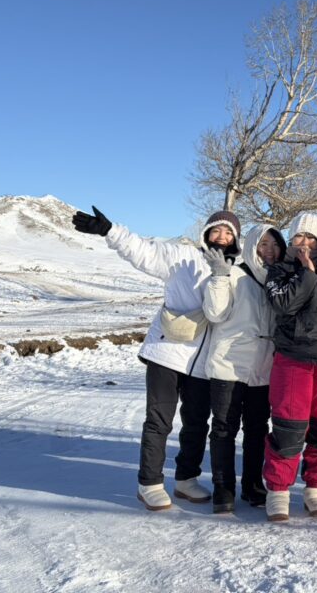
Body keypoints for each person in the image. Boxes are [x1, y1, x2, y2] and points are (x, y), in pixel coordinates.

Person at [72, 205, 241, 510]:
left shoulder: (236, 271)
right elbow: (143, 251)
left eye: (228, 232)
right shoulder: (182, 256)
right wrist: (110, 231)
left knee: (196, 423)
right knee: (159, 421)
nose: (221, 236)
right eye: (216, 229)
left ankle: (186, 479)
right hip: (167, 352)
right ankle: (149, 483)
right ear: (206, 233)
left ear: (235, 238)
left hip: (204, 362)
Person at [261, 212, 317, 522]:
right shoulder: (280, 271)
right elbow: (284, 304)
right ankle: (278, 490)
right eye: (300, 236)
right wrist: (307, 273)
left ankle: (316, 487)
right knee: (289, 427)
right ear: (291, 239)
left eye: (312, 237)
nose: (306, 242)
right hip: (293, 359)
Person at [201, 223, 286, 513]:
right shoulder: (234, 274)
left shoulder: (278, 279)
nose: (269, 251)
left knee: (257, 429)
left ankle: (253, 484)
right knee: (224, 429)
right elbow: (215, 313)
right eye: (263, 244)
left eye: (275, 245)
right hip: (229, 365)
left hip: (262, 369)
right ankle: (223, 488)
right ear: (251, 246)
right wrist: (219, 276)